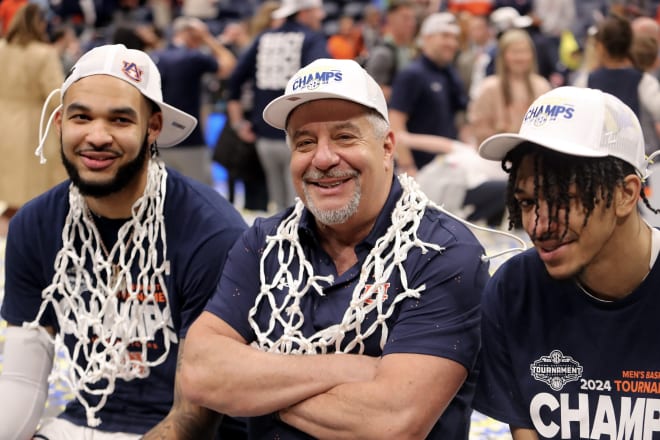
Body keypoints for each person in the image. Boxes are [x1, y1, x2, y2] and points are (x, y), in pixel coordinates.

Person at [180, 58, 489, 439]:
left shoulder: (443, 252)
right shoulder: (264, 241)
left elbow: (391, 423)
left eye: (344, 137)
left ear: (387, 146)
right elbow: (197, 373)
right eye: (305, 142)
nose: (323, 159)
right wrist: (348, 369)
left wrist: (254, 383)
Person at [0, 44, 248, 439]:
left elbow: (196, 415)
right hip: (83, 422)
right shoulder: (34, 224)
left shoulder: (213, 232)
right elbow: (21, 380)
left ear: (153, 128)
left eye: (119, 120)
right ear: (61, 122)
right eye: (82, 117)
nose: (97, 136)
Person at [473, 86, 660, 439]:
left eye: (564, 200)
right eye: (527, 203)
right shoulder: (515, 290)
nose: (540, 226)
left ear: (626, 194)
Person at [226, 0, 328, 213]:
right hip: (300, 137)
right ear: (303, 12)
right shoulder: (311, 39)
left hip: (263, 136)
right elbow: (323, 80)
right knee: (303, 205)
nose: (321, 16)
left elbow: (234, 79)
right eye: (316, 11)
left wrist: (238, 123)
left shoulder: (264, 38)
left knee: (279, 206)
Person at [0, 3, 67, 234]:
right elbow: (55, 94)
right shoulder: (44, 53)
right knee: (31, 186)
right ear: (39, 24)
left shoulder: (1, 48)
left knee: (8, 185)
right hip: (33, 126)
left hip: (3, 122)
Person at [151, 16, 236, 186]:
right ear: (190, 34)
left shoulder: (155, 56)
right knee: (200, 195)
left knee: (162, 195)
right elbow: (229, 65)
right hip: (189, 140)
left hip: (157, 140)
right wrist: (207, 38)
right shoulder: (192, 58)